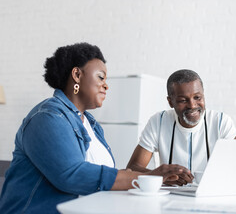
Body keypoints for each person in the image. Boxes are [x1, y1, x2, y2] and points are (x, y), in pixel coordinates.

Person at [0, 43, 187, 214]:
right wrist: (149, 179)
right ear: (77, 75)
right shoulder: (47, 117)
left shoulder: (91, 125)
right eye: (101, 77)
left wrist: (153, 176)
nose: (106, 85)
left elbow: (100, 175)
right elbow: (73, 175)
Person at [127, 69, 236, 186]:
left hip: (211, 195)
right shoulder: (158, 121)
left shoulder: (221, 122)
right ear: (170, 102)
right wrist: (162, 176)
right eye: (183, 100)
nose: (192, 105)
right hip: (171, 198)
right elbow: (133, 167)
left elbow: (235, 173)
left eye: (197, 97)